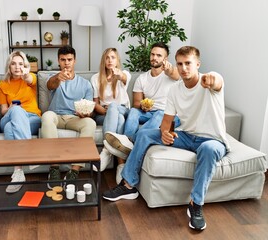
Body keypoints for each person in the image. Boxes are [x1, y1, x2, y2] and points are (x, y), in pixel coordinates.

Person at [102, 46, 230, 231]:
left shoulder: (209, 81)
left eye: (188, 63)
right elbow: (166, 121)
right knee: (145, 134)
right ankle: (128, 185)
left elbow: (217, 81)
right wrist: (165, 133)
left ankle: (196, 204)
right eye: (180, 64)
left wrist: (212, 80)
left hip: (212, 140)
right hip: (186, 136)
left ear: (198, 64)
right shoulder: (175, 90)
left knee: (208, 150)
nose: (184, 68)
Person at [103, 42, 180, 183]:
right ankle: (127, 140)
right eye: (152, 54)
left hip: (164, 112)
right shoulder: (142, 78)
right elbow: (137, 103)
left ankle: (132, 144)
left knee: (159, 114)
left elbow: (176, 74)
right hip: (147, 112)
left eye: (159, 55)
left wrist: (169, 70)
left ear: (165, 58)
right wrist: (143, 106)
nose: (154, 58)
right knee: (133, 111)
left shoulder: (171, 74)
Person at [40, 46, 96, 188]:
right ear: (58, 61)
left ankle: (75, 170)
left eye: (69, 60)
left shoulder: (85, 84)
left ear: (74, 61)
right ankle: (54, 169)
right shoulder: (53, 78)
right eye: (63, 60)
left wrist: (86, 113)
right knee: (46, 116)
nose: (66, 63)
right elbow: (50, 85)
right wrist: (58, 77)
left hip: (75, 118)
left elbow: (90, 109)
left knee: (90, 123)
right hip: (56, 116)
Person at [0, 51, 42, 193]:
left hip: (32, 118)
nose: (17, 67)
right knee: (16, 111)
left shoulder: (31, 78)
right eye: (13, 64)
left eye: (21, 64)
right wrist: (12, 108)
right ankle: (29, 157)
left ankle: (18, 172)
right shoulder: (2, 84)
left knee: (11, 128)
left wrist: (26, 74)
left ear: (25, 66)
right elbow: (3, 111)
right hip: (9, 116)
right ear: (9, 66)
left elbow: (30, 79)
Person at [90, 48, 131, 176]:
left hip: (123, 109)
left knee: (114, 107)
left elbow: (123, 77)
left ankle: (106, 150)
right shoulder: (95, 78)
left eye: (113, 57)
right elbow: (95, 104)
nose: (110, 60)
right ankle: (120, 165)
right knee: (120, 119)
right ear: (103, 60)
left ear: (117, 60)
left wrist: (119, 76)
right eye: (107, 57)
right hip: (104, 114)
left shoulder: (124, 74)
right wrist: (102, 110)